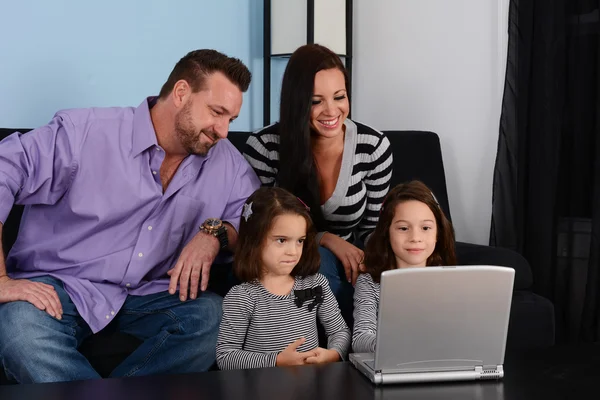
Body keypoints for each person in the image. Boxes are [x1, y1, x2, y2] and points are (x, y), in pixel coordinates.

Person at [0, 49, 261, 383]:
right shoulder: (85, 132)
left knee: (212, 317)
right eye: (216, 112)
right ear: (181, 94)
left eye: (231, 120)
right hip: (61, 286)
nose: (223, 131)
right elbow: (5, 171)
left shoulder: (226, 162)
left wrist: (215, 234)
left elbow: (256, 220)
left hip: (147, 294)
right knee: (20, 329)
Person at [244, 44, 393, 324]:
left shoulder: (373, 147)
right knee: (318, 265)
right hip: (283, 261)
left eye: (339, 97)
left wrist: (382, 265)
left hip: (350, 262)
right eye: (316, 101)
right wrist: (324, 238)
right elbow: (257, 227)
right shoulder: (264, 146)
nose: (331, 110)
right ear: (297, 102)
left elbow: (374, 229)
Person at [216, 187, 350, 370]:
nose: (293, 251)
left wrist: (333, 354)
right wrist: (277, 361)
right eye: (281, 240)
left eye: (300, 241)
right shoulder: (242, 296)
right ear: (254, 240)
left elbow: (339, 331)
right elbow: (226, 357)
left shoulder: (316, 284)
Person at [352, 180, 457, 353]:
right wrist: (402, 346)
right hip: (393, 363)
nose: (415, 237)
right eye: (403, 228)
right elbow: (361, 339)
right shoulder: (370, 283)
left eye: (425, 228)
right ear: (387, 232)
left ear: (438, 233)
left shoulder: (451, 280)